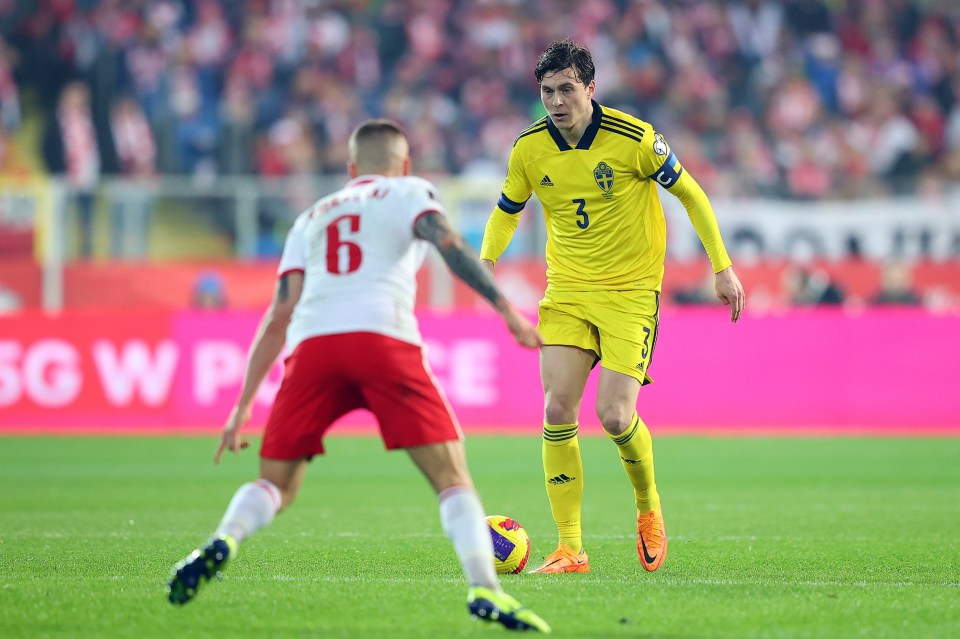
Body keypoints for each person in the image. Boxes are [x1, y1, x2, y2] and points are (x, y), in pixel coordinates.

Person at [165, 119, 550, 633]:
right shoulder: (411, 191)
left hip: (314, 346)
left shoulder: (311, 218)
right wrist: (507, 310)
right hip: (382, 338)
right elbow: (450, 245)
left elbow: (279, 315)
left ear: (350, 169)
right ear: (404, 165)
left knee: (274, 484)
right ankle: (485, 588)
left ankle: (222, 540)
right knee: (451, 478)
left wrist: (241, 407)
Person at [480, 40, 745, 575]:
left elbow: (691, 193)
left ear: (591, 89)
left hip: (630, 292)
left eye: (567, 89)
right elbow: (507, 210)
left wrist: (722, 265)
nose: (556, 101)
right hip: (568, 290)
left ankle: (648, 507)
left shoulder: (635, 139)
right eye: (548, 91)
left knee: (615, 415)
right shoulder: (529, 148)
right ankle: (570, 548)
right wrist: (485, 263)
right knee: (557, 409)